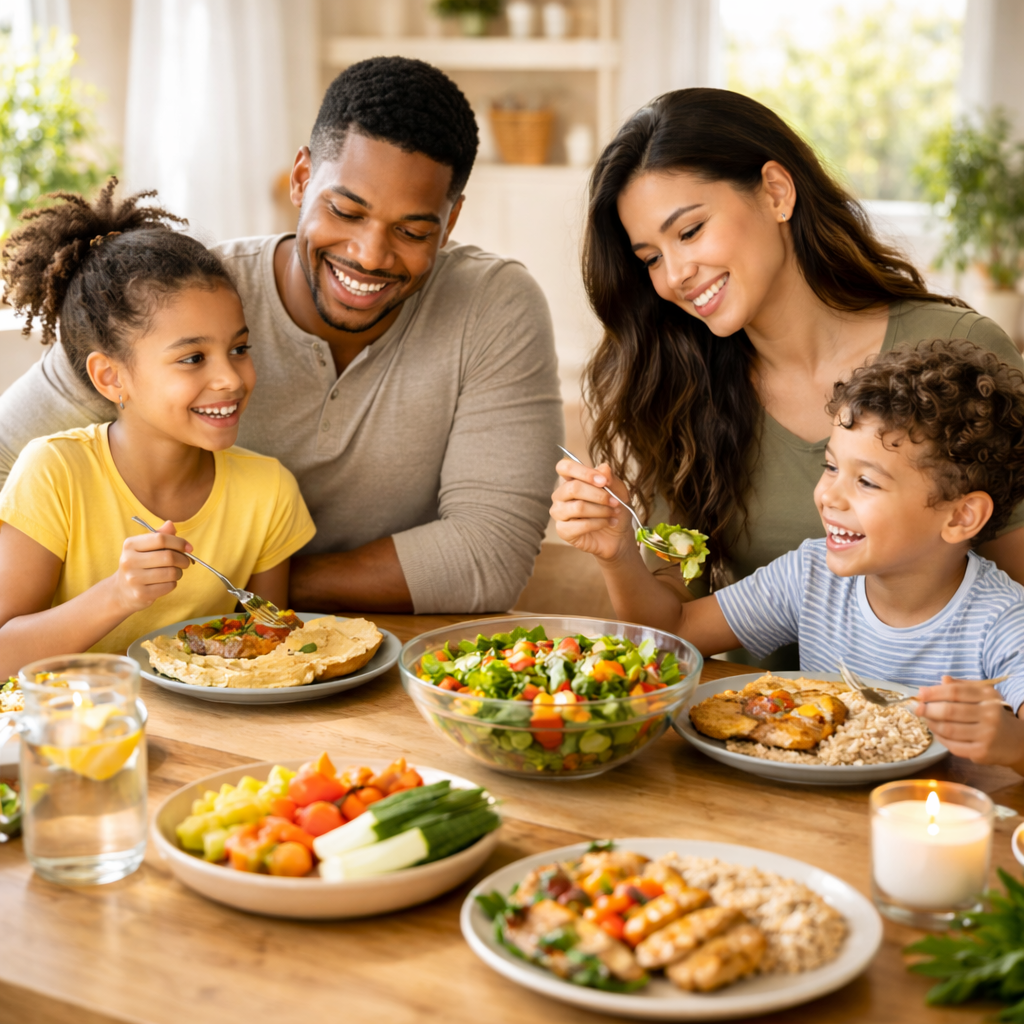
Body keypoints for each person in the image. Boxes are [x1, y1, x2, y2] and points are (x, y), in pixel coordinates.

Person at [0, 57, 563, 615]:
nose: (369, 255)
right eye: (345, 211)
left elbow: (491, 554)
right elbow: (7, 456)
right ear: (301, 178)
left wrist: (230, 587)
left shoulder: (494, 307)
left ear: (452, 220)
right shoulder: (182, 302)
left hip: (356, 655)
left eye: (413, 230)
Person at [553, 88, 1023, 666]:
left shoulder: (962, 352)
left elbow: (1016, 598)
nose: (675, 275)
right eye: (650, 257)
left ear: (776, 192)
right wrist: (617, 553)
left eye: (691, 231)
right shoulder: (678, 388)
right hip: (759, 728)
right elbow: (672, 629)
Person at [555, 341, 1024, 771]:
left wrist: (1010, 741)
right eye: (831, 466)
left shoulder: (1003, 620)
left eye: (866, 482)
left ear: (961, 517)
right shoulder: (810, 575)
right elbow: (673, 631)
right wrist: (617, 554)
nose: (829, 497)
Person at [0, 183, 316, 675]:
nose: (230, 378)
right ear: (112, 377)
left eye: (239, 348)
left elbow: (268, 653)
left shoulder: (269, 492)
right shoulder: (54, 473)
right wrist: (118, 594)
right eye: (193, 358)